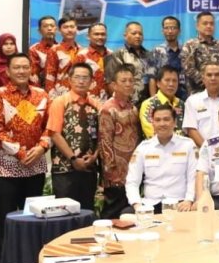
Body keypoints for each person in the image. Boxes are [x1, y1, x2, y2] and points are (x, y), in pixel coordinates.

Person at [0, 53, 51, 263]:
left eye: (25, 67)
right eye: (17, 67)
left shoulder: (42, 95)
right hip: (6, 168)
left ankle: (31, 261)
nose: (22, 71)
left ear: (31, 69)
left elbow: (49, 127)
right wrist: (21, 153)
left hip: (35, 167)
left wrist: (41, 147)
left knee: (33, 217)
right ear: (8, 71)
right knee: (5, 218)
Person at [47, 63, 101, 211]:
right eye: (77, 77)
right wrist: (73, 159)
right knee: (65, 213)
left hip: (88, 168)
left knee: (87, 211)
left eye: (85, 78)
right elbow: (54, 134)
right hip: (64, 169)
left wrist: (95, 156)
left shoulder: (96, 105)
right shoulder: (60, 102)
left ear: (91, 81)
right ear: (69, 80)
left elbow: (102, 135)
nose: (81, 81)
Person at [127, 104, 197, 212]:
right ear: (152, 123)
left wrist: (189, 200)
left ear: (174, 122)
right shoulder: (143, 148)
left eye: (166, 119)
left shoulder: (188, 145)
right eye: (157, 120)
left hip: (180, 203)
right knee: (126, 213)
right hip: (150, 204)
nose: (162, 124)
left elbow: (194, 177)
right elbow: (132, 181)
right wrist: (137, 205)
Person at [98, 64, 141, 219]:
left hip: (132, 168)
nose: (128, 84)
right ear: (114, 85)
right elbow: (105, 143)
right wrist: (111, 172)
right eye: (123, 81)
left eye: (131, 80)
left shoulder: (133, 108)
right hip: (116, 172)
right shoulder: (108, 109)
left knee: (128, 211)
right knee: (113, 211)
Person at [182, 62, 219, 148]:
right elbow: (191, 129)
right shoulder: (192, 101)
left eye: (217, 75)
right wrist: (207, 149)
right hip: (202, 151)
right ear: (203, 79)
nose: (213, 78)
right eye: (209, 75)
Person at [180, 11, 219, 95]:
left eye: (211, 24)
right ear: (197, 26)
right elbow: (188, 68)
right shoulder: (190, 45)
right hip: (197, 93)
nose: (209, 26)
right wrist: (208, 84)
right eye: (205, 23)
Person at [105, 21, 152, 103]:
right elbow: (111, 84)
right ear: (125, 35)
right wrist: (121, 104)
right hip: (127, 103)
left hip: (148, 103)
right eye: (134, 33)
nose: (138, 36)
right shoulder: (116, 55)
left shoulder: (150, 55)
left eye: (140, 34)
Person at [140, 65, 185, 138]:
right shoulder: (149, 104)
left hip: (182, 144)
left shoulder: (182, 104)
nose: (171, 84)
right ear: (158, 83)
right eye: (167, 80)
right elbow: (151, 133)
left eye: (174, 81)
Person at [45, 16, 81, 99]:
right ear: (59, 30)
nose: (69, 30)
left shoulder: (82, 50)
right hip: (61, 94)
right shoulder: (54, 50)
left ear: (77, 29)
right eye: (65, 27)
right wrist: (52, 98)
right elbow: (50, 76)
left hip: (80, 93)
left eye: (72, 27)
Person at [148, 16, 183, 99]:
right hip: (163, 97)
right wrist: (154, 100)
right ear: (162, 31)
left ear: (179, 31)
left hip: (184, 96)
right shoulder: (156, 51)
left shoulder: (186, 50)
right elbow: (152, 78)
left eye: (173, 28)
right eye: (166, 28)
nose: (170, 31)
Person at [76, 22, 110, 100]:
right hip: (87, 100)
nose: (100, 37)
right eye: (96, 34)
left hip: (108, 101)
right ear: (88, 36)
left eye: (103, 34)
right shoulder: (82, 56)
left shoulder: (111, 55)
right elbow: (76, 80)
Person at [29, 15, 58, 88]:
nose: (49, 28)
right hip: (42, 88)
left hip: (61, 89)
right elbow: (34, 75)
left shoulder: (61, 49)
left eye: (52, 26)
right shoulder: (34, 49)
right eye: (45, 26)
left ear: (56, 29)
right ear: (39, 30)